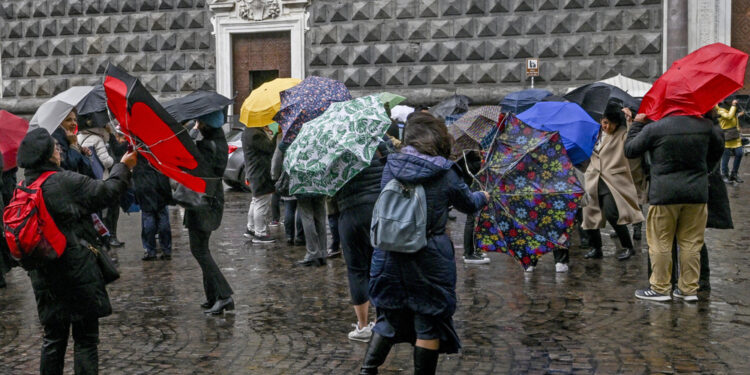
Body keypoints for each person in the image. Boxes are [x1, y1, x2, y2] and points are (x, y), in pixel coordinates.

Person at [361, 113, 489, 375]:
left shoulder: (391, 166)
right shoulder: (446, 172)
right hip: (428, 257)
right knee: (428, 322)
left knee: (387, 318)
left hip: (388, 254)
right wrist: (483, 196)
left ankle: (367, 371)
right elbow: (468, 204)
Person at [16, 128, 136, 374]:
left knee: (53, 339)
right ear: (47, 155)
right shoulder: (63, 181)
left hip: (43, 274)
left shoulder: (24, 186)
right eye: (55, 147)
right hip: (76, 271)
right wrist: (123, 167)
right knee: (85, 339)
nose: (58, 150)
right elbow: (106, 192)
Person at [625, 109, 724, 302]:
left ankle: (660, 288)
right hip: (696, 193)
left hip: (664, 194)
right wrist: (704, 171)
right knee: (691, 243)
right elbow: (718, 149)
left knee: (660, 241)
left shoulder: (655, 128)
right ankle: (688, 290)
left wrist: (637, 124)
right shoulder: (705, 126)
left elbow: (630, 149)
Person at [334, 137, 393, 342]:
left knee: (357, 270)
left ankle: (362, 326)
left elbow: (329, 188)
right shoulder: (379, 141)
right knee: (381, 265)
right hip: (379, 211)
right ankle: (382, 321)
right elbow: (393, 164)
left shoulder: (334, 148)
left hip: (351, 213)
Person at [184, 115, 235, 314]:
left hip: (203, 201)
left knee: (199, 250)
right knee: (202, 249)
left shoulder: (207, 146)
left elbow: (192, 162)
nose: (198, 125)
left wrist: (192, 131)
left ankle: (224, 296)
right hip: (209, 199)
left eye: (201, 122)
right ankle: (212, 295)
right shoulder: (218, 141)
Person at [582, 103, 644, 261]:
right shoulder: (596, 133)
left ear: (617, 123)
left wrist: (631, 122)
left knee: (612, 213)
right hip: (594, 179)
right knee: (590, 215)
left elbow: (633, 143)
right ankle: (596, 248)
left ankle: (628, 247)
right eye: (604, 122)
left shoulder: (623, 133)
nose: (606, 126)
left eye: (609, 123)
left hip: (613, 181)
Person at [133, 154, 173, 261]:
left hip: (144, 187)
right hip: (159, 186)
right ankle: (166, 250)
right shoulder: (157, 149)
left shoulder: (137, 151)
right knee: (163, 219)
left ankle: (150, 251)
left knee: (148, 220)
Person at [242, 124, 276, 244]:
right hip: (260, 173)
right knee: (261, 202)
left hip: (254, 172)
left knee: (256, 201)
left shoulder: (248, 131)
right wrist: (275, 135)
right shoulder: (255, 134)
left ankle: (251, 228)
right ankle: (260, 233)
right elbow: (270, 148)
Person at [458, 150, 490, 265]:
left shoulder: (468, 149)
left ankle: (472, 250)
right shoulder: (465, 150)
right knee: (471, 219)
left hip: (470, 186)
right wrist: (482, 163)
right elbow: (469, 167)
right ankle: (468, 253)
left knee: (473, 219)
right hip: (470, 186)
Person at [270, 139, 305, 246]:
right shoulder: (305, 140)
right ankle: (300, 237)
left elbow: (276, 161)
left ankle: (290, 236)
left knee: (289, 207)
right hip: (302, 178)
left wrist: (275, 177)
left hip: (288, 179)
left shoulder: (284, 143)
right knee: (301, 208)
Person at [51, 110, 95, 178]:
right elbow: (69, 166)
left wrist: (83, 153)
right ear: (60, 123)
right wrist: (73, 145)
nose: (74, 123)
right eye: (68, 120)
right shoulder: (56, 139)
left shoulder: (69, 137)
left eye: (75, 120)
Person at [717, 99, 745, 183]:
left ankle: (734, 174)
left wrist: (738, 127)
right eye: (732, 100)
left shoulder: (731, 107)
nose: (734, 101)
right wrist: (733, 105)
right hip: (726, 135)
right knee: (726, 156)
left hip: (735, 134)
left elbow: (733, 117)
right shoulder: (719, 109)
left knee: (739, 153)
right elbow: (729, 117)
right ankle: (724, 175)